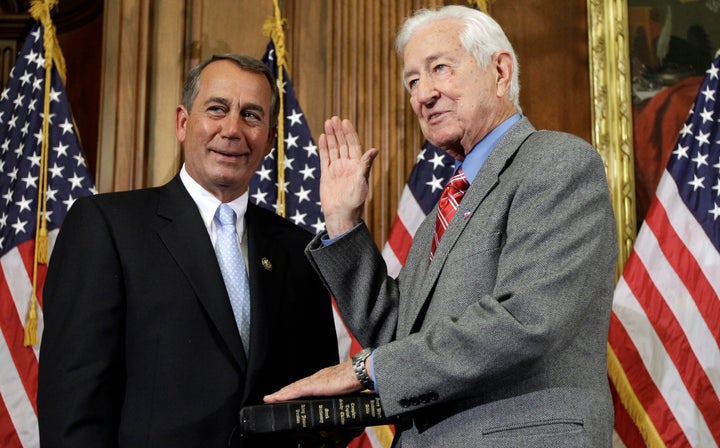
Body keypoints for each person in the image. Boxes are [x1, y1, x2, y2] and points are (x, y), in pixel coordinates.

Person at [265, 5, 618, 447]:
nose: (423, 94)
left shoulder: (556, 163)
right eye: (412, 81)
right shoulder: (446, 208)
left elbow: (527, 319)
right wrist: (342, 222)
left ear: (500, 71)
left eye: (440, 69)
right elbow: (398, 337)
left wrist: (365, 369)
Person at [38, 54, 339, 447]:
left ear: (269, 139)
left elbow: (320, 402)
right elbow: (73, 406)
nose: (232, 129)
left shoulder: (299, 250)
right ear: (183, 123)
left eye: (251, 116)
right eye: (217, 109)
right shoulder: (107, 226)